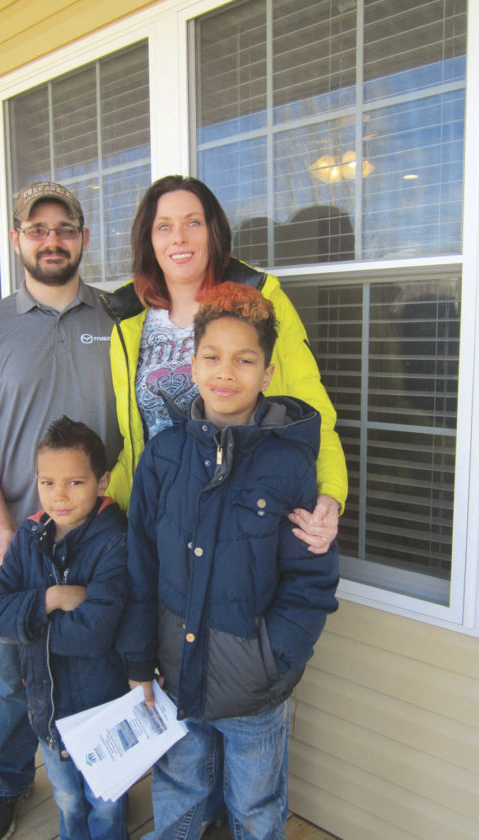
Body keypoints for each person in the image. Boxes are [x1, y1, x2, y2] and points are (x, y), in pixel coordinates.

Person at [119, 283, 340, 839]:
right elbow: (142, 566)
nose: (226, 372)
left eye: (245, 360)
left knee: (256, 806)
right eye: (212, 357)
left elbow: (310, 579)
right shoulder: (164, 456)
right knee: (180, 794)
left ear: (267, 373)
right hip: (176, 674)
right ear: (191, 365)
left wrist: (276, 659)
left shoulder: (290, 465)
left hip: (256, 689)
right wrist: (140, 660)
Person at [0, 181, 122, 840]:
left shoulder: (115, 321)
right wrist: (0, 527)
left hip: (105, 539)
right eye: (36, 227)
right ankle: (9, 780)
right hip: (28, 543)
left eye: (64, 226)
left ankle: (104, 776)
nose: (52, 239)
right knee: (16, 674)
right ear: (16, 239)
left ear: (82, 235)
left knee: (103, 667)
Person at [100, 175, 347, 553]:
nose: (178, 237)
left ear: (213, 232)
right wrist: (99, 499)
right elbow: (140, 435)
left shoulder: (259, 301)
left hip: (245, 516)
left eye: (192, 222)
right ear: (149, 240)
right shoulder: (130, 319)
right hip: (158, 518)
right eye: (163, 226)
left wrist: (330, 493)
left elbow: (312, 408)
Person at [0, 416, 129, 840]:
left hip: (101, 708)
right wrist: (49, 599)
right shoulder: (29, 537)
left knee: (106, 805)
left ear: (102, 482)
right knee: (67, 801)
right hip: (47, 708)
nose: (59, 496)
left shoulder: (115, 541)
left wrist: (27, 626)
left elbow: (93, 633)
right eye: (47, 483)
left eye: (75, 483)